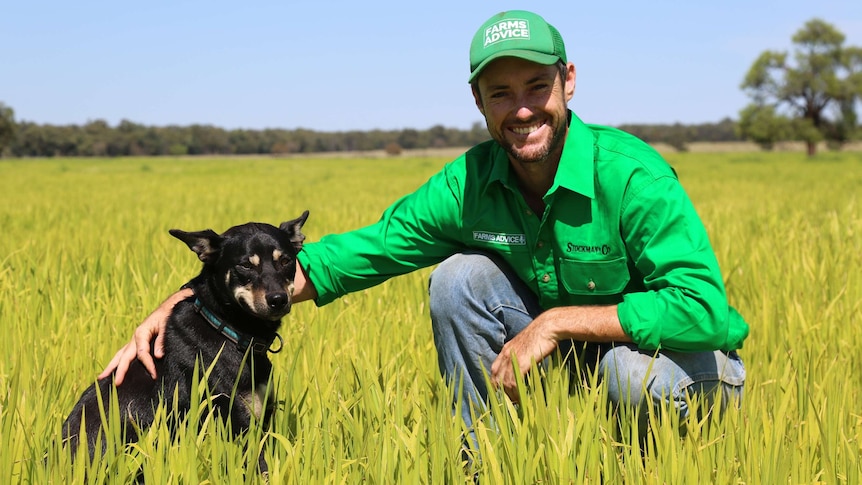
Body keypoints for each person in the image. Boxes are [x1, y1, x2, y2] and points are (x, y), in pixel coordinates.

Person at [102, 9, 747, 447]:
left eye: (536, 86)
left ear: (568, 82)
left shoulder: (633, 178)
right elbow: (364, 251)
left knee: (628, 379)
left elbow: (704, 311)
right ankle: (484, 459)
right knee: (459, 279)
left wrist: (554, 322)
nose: (522, 109)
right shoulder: (468, 184)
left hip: (675, 364)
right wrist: (186, 302)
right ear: (478, 100)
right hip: (568, 362)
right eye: (500, 93)